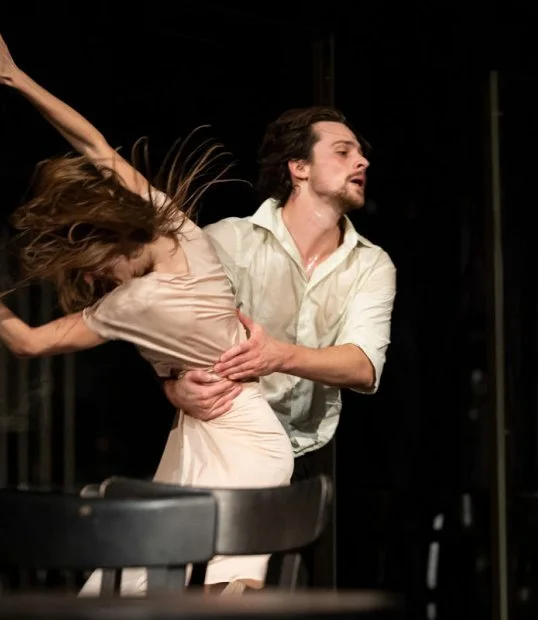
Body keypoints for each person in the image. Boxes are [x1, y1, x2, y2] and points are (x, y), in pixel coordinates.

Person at [0, 13, 294, 595]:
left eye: (94, 266)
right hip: (200, 434)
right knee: (125, 589)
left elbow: (25, 341)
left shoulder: (136, 299)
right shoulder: (177, 231)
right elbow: (93, 146)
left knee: (221, 588)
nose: (94, 279)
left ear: (111, 237)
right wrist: (17, 79)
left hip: (242, 441)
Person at [163, 106, 397, 585]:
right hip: (220, 441)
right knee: (190, 585)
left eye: (361, 153)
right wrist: (173, 384)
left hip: (304, 456)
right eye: (343, 151)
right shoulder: (228, 242)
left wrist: (279, 355)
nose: (362, 162)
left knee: (278, 591)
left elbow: (363, 366)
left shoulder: (371, 265)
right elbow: (172, 335)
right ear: (298, 167)